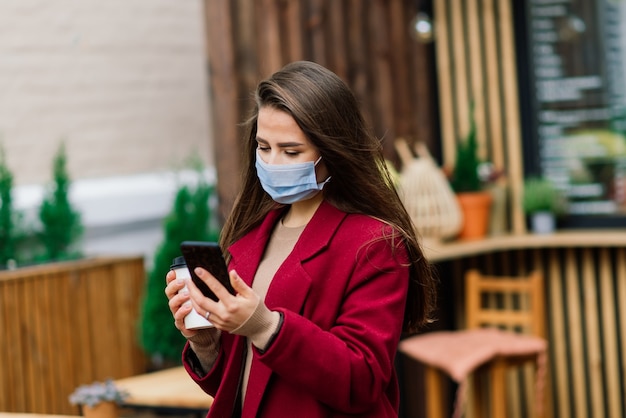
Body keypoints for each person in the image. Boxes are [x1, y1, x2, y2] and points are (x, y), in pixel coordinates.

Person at [165, 60, 436, 417]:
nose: (274, 163)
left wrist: (265, 325)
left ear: (333, 152)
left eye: (291, 152)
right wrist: (205, 342)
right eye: (264, 147)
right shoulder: (246, 239)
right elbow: (243, 386)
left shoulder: (374, 244)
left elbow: (363, 380)